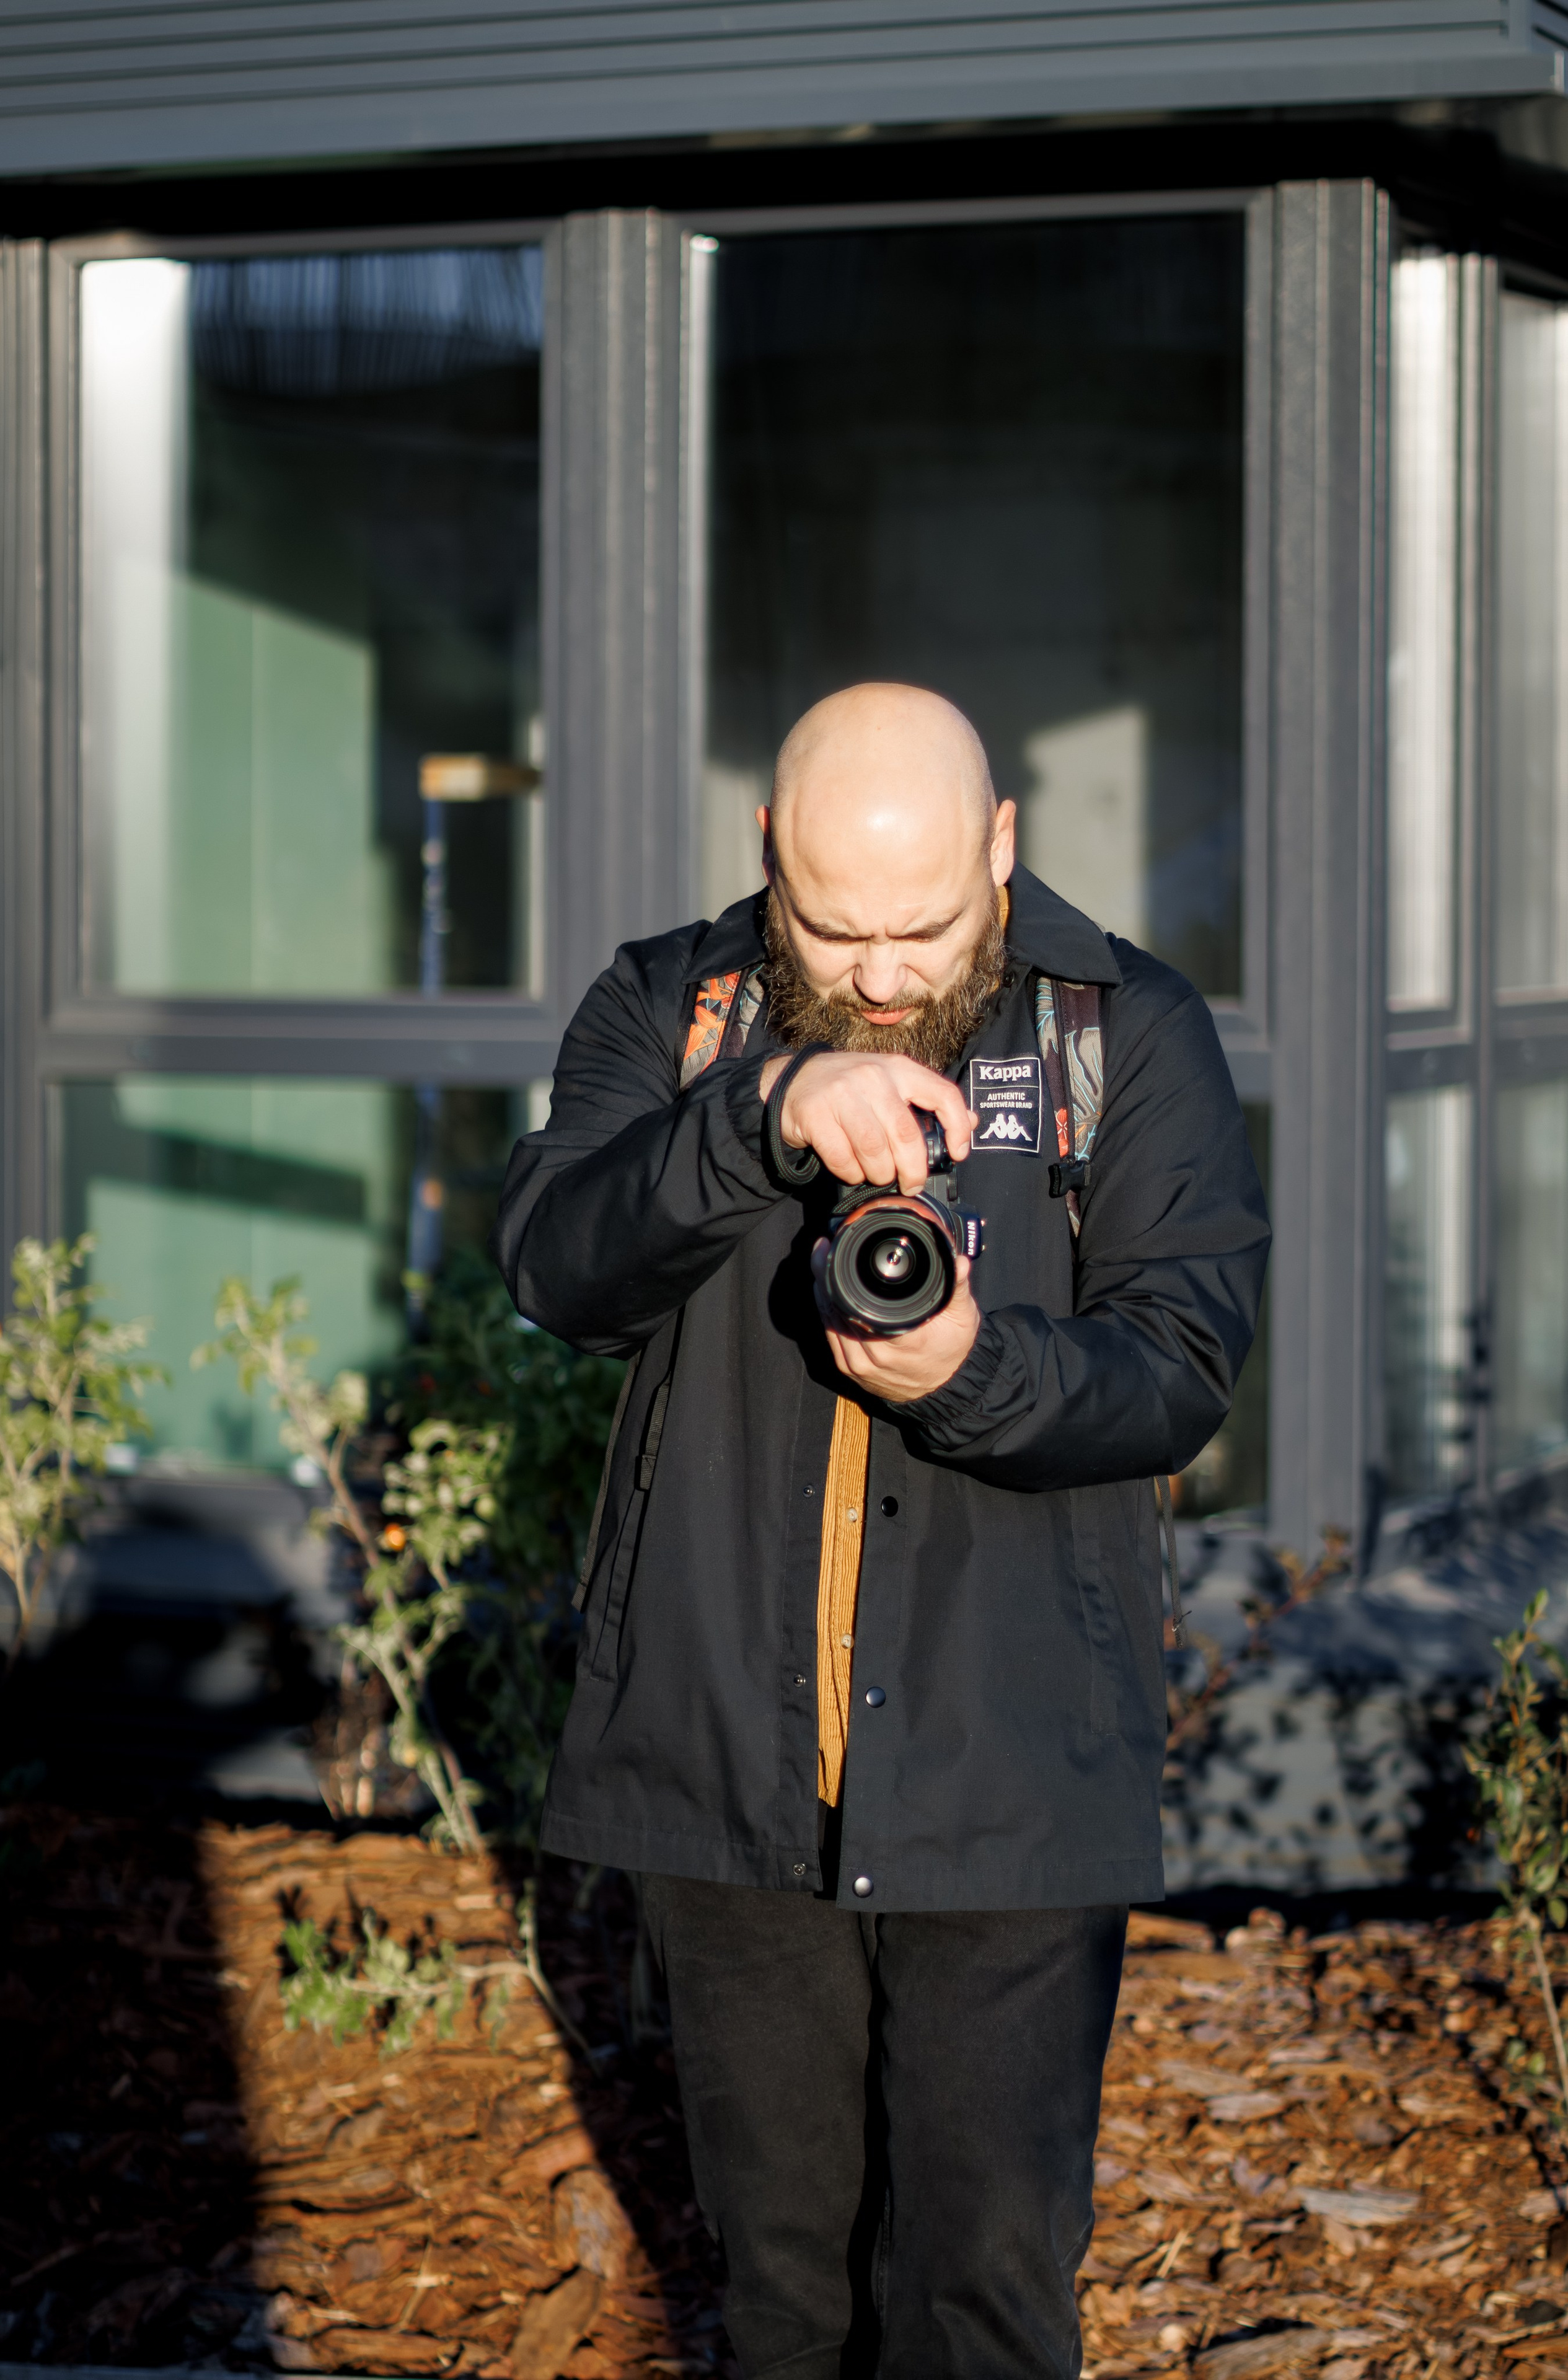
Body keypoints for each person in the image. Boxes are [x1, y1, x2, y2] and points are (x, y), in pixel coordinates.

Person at [495, 683, 1269, 2379]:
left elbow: (1180, 1369)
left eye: (924, 925)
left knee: (983, 2304)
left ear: (1004, 847)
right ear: (770, 859)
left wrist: (974, 1369)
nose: (889, 974)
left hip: (1014, 1782)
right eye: (835, 929)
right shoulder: (676, 1006)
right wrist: (752, 1119)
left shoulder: (1120, 1030)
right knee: (784, 2304)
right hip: (724, 1779)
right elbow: (555, 1261)